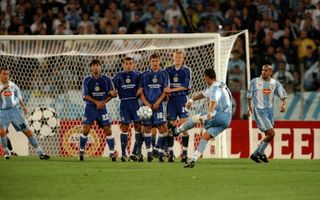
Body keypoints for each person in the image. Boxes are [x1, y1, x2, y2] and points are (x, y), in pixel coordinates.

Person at [168, 68, 232, 168]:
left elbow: (214, 100)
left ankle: (177, 130)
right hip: (227, 120)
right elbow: (204, 94)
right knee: (205, 137)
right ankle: (193, 159)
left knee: (195, 118)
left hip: (217, 114)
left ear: (206, 77)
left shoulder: (214, 88)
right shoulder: (220, 84)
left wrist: (210, 112)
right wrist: (192, 100)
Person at [0, 67, 50, 160]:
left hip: (15, 111)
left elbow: (18, 98)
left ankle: (40, 153)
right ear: (0, 74)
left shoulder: (13, 85)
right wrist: (3, 89)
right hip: (2, 112)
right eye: (4, 74)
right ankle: (6, 153)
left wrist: (24, 107)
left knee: (27, 131)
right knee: (2, 133)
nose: (6, 76)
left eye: (7, 74)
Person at [248, 64, 287, 163]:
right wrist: (249, 108)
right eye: (262, 70)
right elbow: (249, 96)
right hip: (259, 110)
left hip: (270, 111)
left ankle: (259, 154)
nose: (263, 72)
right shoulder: (255, 81)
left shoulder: (275, 83)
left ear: (270, 72)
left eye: (266, 71)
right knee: (271, 133)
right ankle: (257, 153)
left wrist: (283, 105)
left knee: (268, 135)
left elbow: (283, 95)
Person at [79, 59, 117, 161]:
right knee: (86, 129)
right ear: (91, 68)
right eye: (94, 65)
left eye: (97, 65)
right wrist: (97, 102)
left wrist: (103, 102)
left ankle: (112, 152)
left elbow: (113, 94)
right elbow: (85, 96)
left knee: (107, 129)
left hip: (102, 108)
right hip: (90, 107)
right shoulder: (86, 80)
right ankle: (81, 150)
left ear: (100, 67)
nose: (96, 67)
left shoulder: (107, 79)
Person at [112, 57, 143, 162]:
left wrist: (139, 90)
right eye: (126, 63)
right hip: (124, 103)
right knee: (124, 127)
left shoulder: (138, 75)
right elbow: (112, 89)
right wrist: (113, 92)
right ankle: (124, 153)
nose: (128, 65)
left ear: (133, 64)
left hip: (136, 103)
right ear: (123, 65)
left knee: (138, 127)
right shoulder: (118, 76)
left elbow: (141, 87)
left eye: (130, 63)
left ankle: (138, 152)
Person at [139, 53, 169, 162]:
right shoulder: (145, 74)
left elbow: (165, 90)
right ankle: (149, 152)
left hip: (159, 106)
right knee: (147, 128)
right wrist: (146, 103)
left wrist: (158, 102)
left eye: (156, 61)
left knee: (163, 129)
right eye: (153, 61)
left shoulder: (164, 74)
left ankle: (158, 150)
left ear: (159, 61)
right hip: (147, 106)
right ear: (150, 62)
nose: (155, 63)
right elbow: (141, 91)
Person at [164, 50, 192, 162]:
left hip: (182, 100)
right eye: (176, 57)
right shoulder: (167, 70)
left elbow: (186, 87)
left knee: (184, 127)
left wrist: (171, 90)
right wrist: (166, 92)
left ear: (183, 58)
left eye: (180, 57)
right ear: (173, 58)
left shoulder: (186, 70)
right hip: (171, 101)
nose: (178, 59)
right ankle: (171, 153)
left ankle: (184, 153)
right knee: (170, 128)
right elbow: (165, 86)